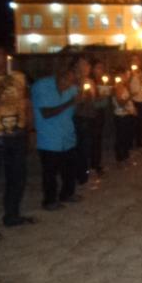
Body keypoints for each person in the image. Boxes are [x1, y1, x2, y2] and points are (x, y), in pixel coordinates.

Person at [0, 42, 35, 241]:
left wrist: (31, 130)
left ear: (6, 57)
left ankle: (12, 215)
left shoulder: (19, 77)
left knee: (17, 177)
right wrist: (0, 87)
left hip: (17, 135)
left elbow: (27, 103)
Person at [31, 62, 81, 210]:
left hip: (67, 135)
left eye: (71, 82)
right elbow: (46, 113)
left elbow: (76, 108)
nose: (68, 85)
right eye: (66, 80)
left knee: (69, 169)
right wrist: (70, 102)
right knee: (50, 172)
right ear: (58, 75)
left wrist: (84, 98)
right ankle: (49, 201)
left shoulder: (72, 88)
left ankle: (67, 194)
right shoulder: (42, 86)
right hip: (49, 137)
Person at [72, 56, 96, 185]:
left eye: (88, 65)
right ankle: (78, 175)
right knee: (78, 147)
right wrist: (82, 96)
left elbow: (92, 101)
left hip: (89, 117)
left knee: (86, 147)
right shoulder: (72, 82)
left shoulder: (90, 82)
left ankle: (84, 173)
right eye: (83, 64)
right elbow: (74, 102)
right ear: (76, 66)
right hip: (78, 118)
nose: (87, 67)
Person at [112, 67, 136, 167]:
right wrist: (130, 96)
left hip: (126, 114)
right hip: (120, 116)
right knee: (121, 138)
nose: (127, 77)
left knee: (126, 137)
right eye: (125, 75)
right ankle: (120, 159)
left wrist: (133, 110)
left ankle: (125, 157)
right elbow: (120, 103)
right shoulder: (118, 87)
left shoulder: (124, 86)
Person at [90, 60, 110, 177]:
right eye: (98, 68)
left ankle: (97, 163)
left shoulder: (102, 81)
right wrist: (101, 97)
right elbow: (91, 101)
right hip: (92, 114)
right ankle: (93, 165)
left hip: (100, 113)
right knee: (93, 140)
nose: (100, 70)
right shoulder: (91, 82)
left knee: (98, 140)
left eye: (102, 68)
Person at [128, 54, 142, 150]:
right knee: (132, 122)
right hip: (133, 100)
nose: (135, 62)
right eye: (133, 60)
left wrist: (141, 80)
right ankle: (131, 142)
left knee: (141, 122)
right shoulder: (129, 73)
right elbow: (126, 84)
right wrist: (131, 76)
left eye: (137, 60)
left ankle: (139, 142)